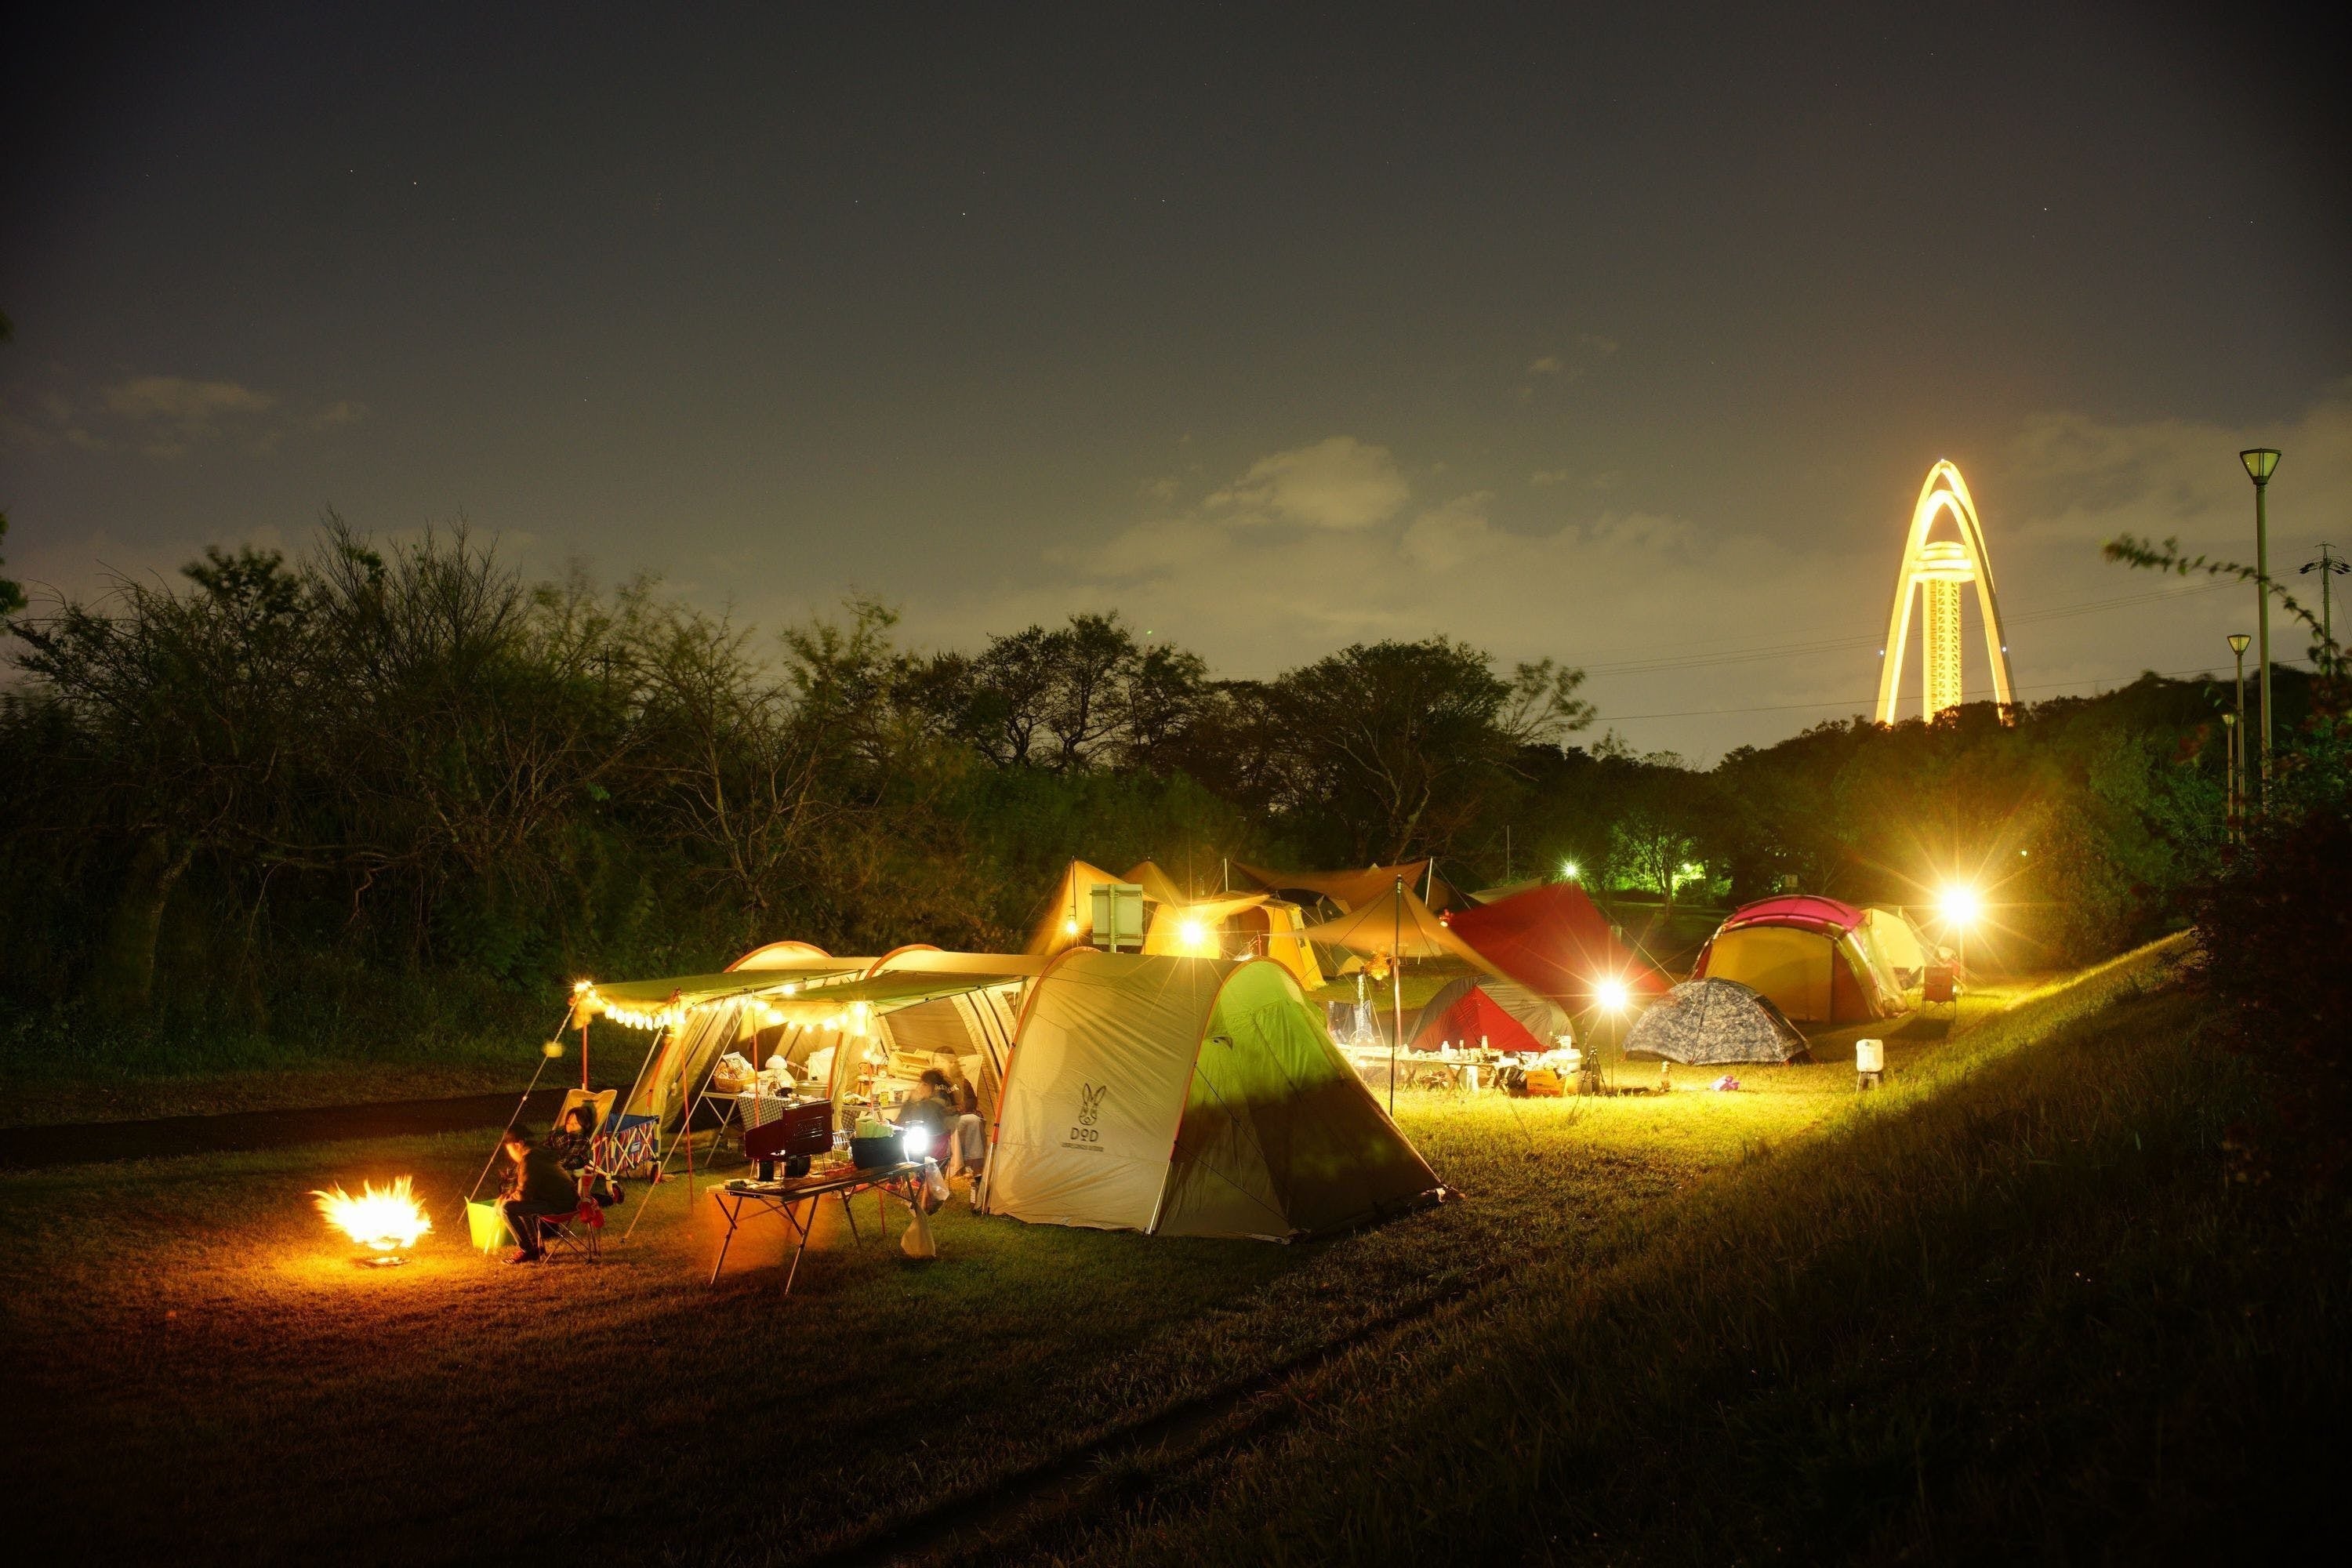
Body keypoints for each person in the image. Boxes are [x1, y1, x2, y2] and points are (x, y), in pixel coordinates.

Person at [499, 1123, 580, 1265]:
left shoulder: (530, 1159)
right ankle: (534, 1247)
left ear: (518, 1144)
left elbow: (523, 1195)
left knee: (507, 1208)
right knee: (518, 1204)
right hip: (570, 1201)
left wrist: (506, 1198)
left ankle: (527, 1249)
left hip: (559, 1206)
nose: (511, 1155)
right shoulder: (539, 1152)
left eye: (510, 1150)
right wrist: (512, 1195)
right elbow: (527, 1189)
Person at [928, 1051, 989, 1181]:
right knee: (953, 1123)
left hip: (959, 1115)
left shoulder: (961, 1081)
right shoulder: (931, 1082)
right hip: (938, 1119)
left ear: (952, 1064)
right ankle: (956, 1167)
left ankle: (974, 1166)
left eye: (942, 1061)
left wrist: (960, 1108)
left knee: (974, 1120)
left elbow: (971, 1100)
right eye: (936, 1061)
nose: (938, 1064)